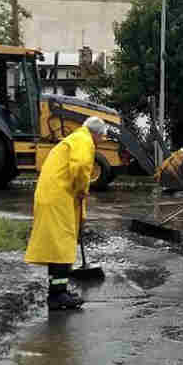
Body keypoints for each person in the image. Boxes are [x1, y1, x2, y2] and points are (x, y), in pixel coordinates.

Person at [24, 116, 108, 311]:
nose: (101, 141)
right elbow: (80, 166)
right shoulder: (84, 141)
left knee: (57, 246)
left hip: (55, 195)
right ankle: (57, 296)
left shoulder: (75, 138)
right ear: (96, 133)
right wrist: (82, 189)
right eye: (102, 137)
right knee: (62, 245)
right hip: (58, 197)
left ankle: (58, 290)